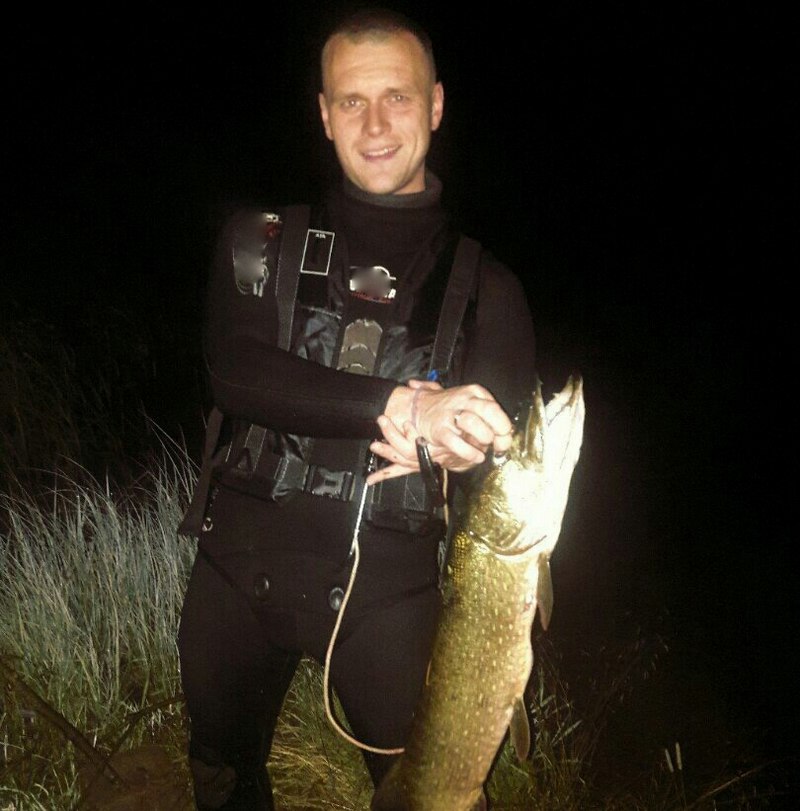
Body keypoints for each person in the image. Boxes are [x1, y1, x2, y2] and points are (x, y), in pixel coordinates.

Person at [177, 6, 537, 809]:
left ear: (435, 105)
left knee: (436, 795)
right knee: (222, 771)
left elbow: (504, 466)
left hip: (389, 600)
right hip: (233, 573)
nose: (375, 125)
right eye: (352, 100)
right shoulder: (259, 237)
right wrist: (405, 405)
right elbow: (235, 370)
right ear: (324, 113)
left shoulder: (493, 290)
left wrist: (469, 450)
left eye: (397, 98)